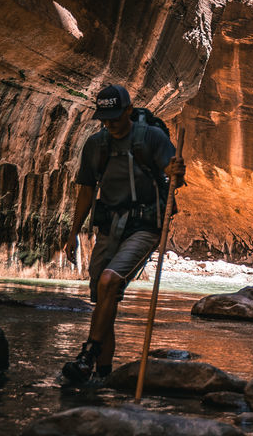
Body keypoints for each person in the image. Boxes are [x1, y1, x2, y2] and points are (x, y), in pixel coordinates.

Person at [61, 84, 185, 384]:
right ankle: (102, 376)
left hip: (145, 225)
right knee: (105, 296)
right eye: (105, 118)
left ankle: (87, 354)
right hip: (109, 227)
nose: (110, 123)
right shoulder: (96, 145)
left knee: (109, 282)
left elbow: (174, 177)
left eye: (116, 117)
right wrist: (73, 232)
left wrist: (175, 171)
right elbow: (87, 191)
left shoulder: (151, 139)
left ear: (128, 111)